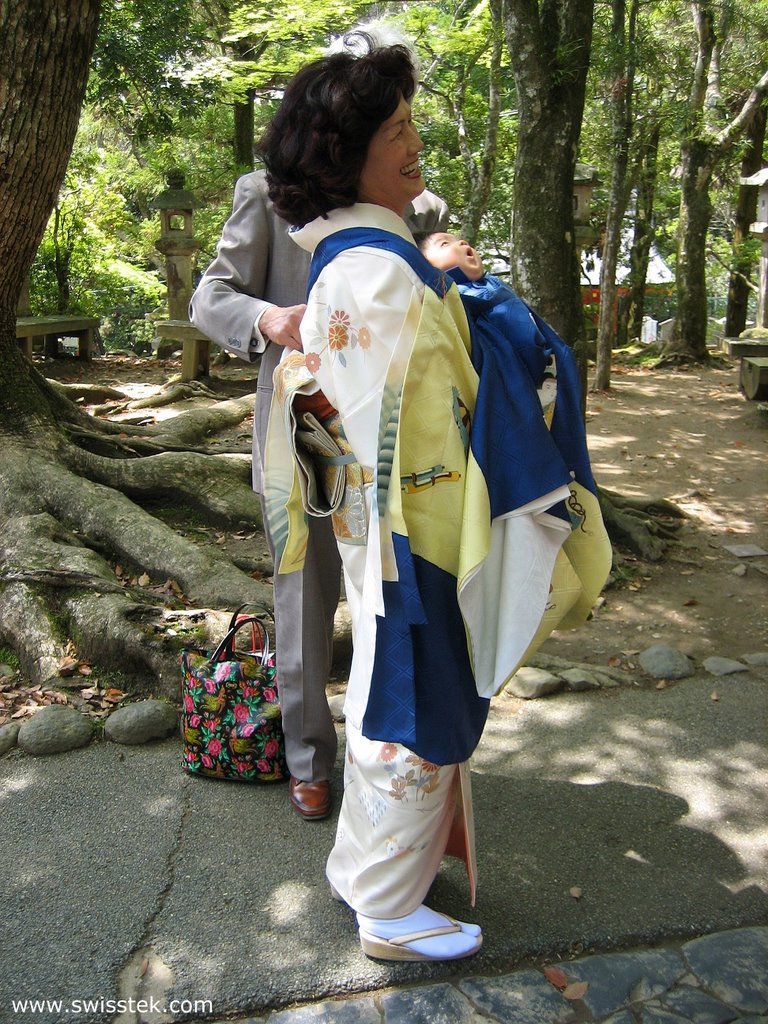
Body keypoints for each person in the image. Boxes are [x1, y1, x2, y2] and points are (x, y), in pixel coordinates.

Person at [259, 34, 611, 962]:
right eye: (398, 130)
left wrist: (446, 286)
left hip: (384, 521)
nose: (414, 145)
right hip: (419, 523)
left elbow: (355, 404)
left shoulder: (359, 261)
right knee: (415, 713)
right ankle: (388, 910)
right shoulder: (376, 273)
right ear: (347, 155)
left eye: (412, 125)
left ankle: (365, 871)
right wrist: (481, 315)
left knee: (393, 699)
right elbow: (421, 412)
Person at [189, 91, 448, 822]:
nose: (409, 138)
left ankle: (391, 761)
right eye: (393, 123)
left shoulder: (416, 202)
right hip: (304, 423)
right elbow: (210, 296)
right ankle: (308, 758)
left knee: (395, 586)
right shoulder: (264, 195)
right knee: (304, 593)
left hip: (395, 427)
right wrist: (269, 317)